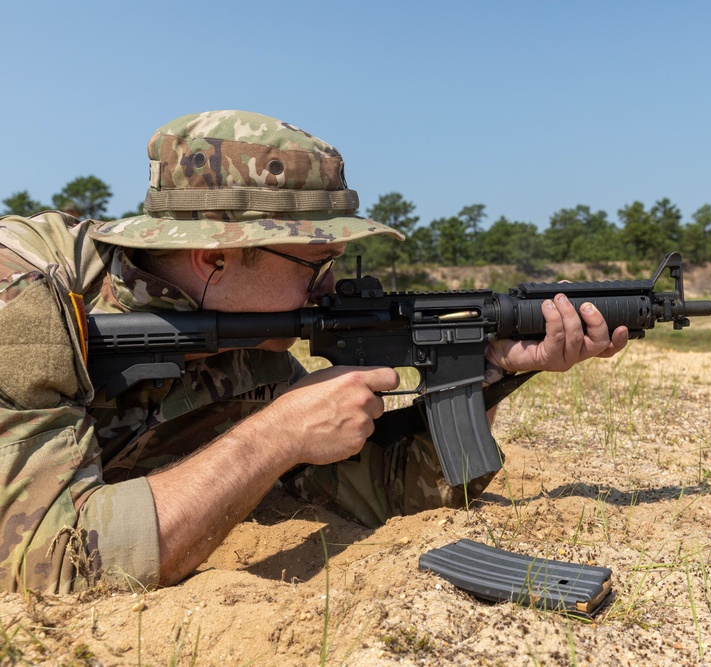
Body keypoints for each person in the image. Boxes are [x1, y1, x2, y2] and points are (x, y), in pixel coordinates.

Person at [0, 111, 629, 594]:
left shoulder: (255, 342)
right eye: (315, 262)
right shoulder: (25, 298)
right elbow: (57, 565)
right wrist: (272, 438)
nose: (331, 286)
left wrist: (491, 370)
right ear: (215, 256)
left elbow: (381, 493)